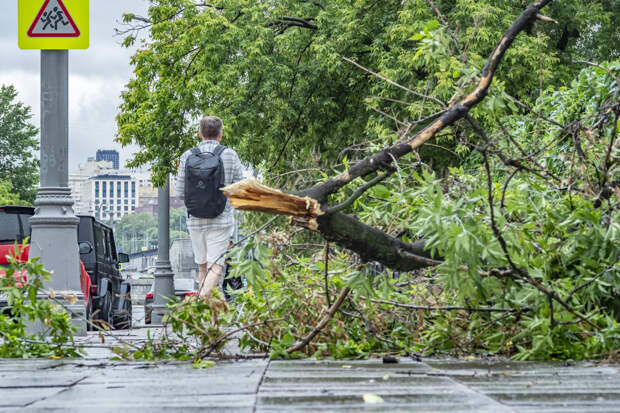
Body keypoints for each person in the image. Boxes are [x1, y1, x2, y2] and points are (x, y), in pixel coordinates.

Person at [175, 116, 245, 301]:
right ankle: (199, 302)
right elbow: (240, 187)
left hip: (195, 220)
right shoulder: (229, 154)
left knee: (203, 268)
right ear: (220, 134)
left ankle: (203, 315)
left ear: (200, 133)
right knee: (216, 267)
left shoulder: (187, 156)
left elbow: (180, 192)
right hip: (221, 220)